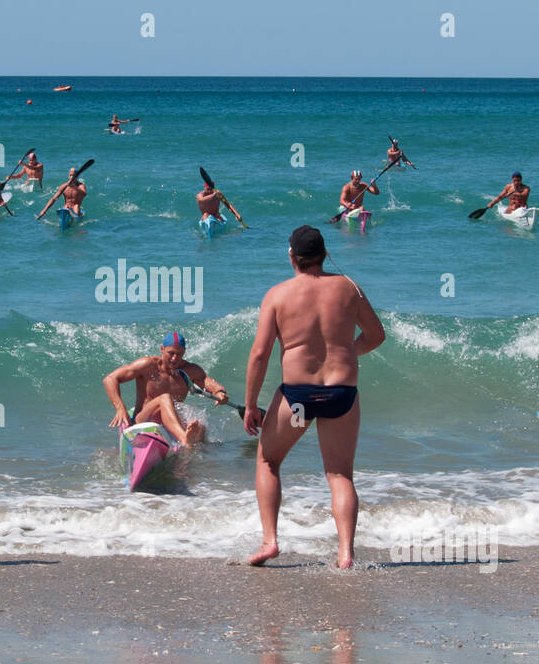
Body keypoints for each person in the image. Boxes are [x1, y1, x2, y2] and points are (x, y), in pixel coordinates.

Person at [243, 227, 386, 569]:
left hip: (298, 400)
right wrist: (348, 349)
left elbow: (260, 354)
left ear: (291, 256)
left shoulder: (278, 295)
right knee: (340, 475)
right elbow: (376, 335)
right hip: (341, 394)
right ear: (324, 255)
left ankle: (270, 541)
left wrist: (250, 405)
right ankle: (346, 553)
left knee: (268, 462)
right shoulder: (349, 288)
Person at [103, 333, 226, 446]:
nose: (174, 358)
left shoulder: (190, 370)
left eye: (179, 354)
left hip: (170, 425)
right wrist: (120, 408)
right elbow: (110, 379)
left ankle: (190, 456)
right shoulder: (148, 365)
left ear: (184, 352)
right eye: (171, 353)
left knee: (200, 425)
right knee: (165, 398)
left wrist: (220, 392)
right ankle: (184, 439)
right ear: (162, 349)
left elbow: (209, 383)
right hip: (144, 421)